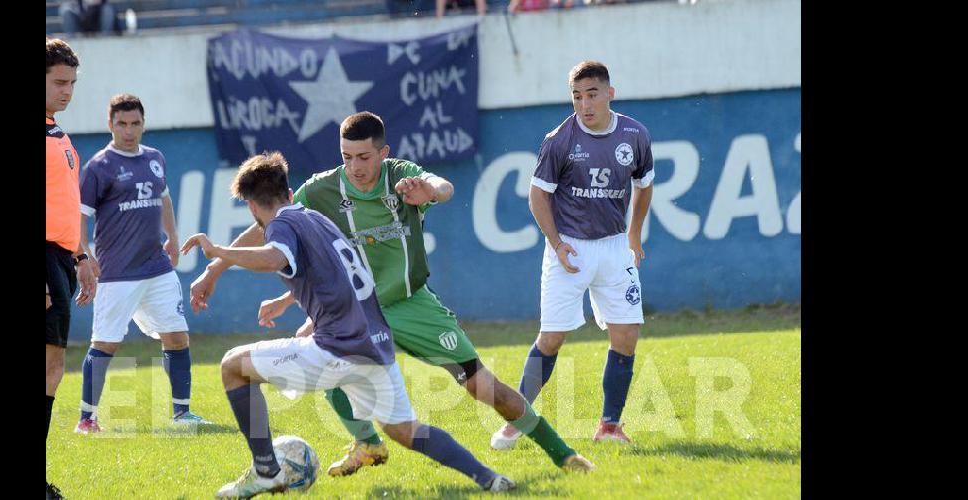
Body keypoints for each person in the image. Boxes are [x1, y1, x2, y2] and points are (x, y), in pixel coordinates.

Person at [191, 112, 594, 477]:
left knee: (481, 387)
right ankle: (367, 443)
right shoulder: (322, 190)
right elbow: (275, 224)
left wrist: (430, 192)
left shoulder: (400, 177)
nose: (354, 167)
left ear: (382, 153)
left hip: (410, 303)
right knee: (317, 352)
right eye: (347, 157)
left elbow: (444, 186)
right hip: (358, 312)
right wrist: (215, 268)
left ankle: (562, 454)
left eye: (364, 157)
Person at [181, 152, 516, 498]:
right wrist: (288, 301)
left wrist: (220, 252)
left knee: (233, 366)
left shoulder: (281, 225)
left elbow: (275, 257)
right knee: (406, 430)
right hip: (377, 345)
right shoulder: (317, 220)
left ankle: (266, 471)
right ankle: (489, 478)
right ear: (290, 192)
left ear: (252, 207)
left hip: (337, 349)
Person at [493, 60, 654, 447]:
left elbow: (644, 185)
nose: (585, 104)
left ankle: (610, 426)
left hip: (615, 247)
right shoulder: (560, 140)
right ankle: (517, 419)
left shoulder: (635, 135)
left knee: (627, 335)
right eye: (577, 96)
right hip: (571, 248)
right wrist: (557, 244)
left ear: (609, 93)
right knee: (552, 337)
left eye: (592, 94)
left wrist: (634, 235)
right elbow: (537, 196)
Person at [73, 94, 210, 434]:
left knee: (177, 337)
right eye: (122, 123)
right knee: (105, 343)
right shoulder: (98, 167)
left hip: (157, 268)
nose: (129, 130)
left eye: (135, 123)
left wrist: (174, 238)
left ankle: (182, 415)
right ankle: (86, 419)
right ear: (110, 125)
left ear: (143, 123)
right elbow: (79, 217)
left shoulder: (154, 158)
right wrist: (85, 254)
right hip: (117, 273)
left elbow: (164, 199)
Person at [46, 36, 89, 500]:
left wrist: (81, 255)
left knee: (52, 365)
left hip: (60, 257)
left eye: (73, 83)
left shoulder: (58, 133)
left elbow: (66, 203)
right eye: (59, 82)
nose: (68, 91)